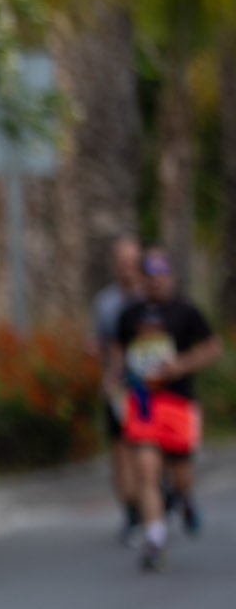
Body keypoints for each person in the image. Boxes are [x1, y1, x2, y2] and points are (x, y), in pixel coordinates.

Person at [112, 247, 221, 572]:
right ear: (142, 279)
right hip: (143, 401)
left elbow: (213, 348)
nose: (157, 283)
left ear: (171, 277)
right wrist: (115, 383)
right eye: (151, 277)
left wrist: (182, 365)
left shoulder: (186, 312)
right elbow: (119, 354)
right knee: (146, 469)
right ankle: (155, 540)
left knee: (181, 475)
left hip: (178, 403)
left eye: (162, 276)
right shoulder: (129, 315)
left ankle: (185, 499)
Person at [91, 235, 144, 544]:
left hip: (152, 388)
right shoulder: (106, 303)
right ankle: (132, 513)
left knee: (147, 451)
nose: (126, 268)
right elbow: (103, 343)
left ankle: (157, 496)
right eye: (121, 262)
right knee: (121, 451)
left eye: (132, 261)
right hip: (119, 387)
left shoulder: (151, 298)